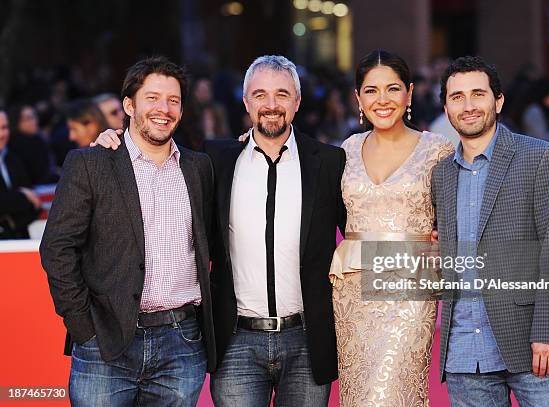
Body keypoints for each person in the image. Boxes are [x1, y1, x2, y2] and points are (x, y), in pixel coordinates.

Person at [93, 55, 346, 407]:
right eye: (259, 95)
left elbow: (360, 227)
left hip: (306, 339)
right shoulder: (216, 160)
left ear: (298, 101)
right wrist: (114, 142)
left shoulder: (331, 162)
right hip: (236, 341)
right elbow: (156, 151)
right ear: (245, 102)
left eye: (282, 95)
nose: (270, 105)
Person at [40, 56, 216, 406]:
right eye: (152, 98)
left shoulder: (200, 168)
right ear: (129, 105)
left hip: (182, 343)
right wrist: (83, 328)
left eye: (173, 100)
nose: (163, 109)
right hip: (105, 341)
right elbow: (57, 248)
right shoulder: (91, 163)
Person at [431, 56, 549, 406]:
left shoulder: (540, 158)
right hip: (464, 352)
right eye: (457, 97)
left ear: (498, 101)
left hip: (532, 345)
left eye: (478, 94)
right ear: (446, 107)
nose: (468, 106)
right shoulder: (441, 175)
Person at [328, 50, 454, 406]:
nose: (382, 101)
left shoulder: (437, 150)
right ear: (358, 98)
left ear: (409, 94)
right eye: (371, 91)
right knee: (358, 393)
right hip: (352, 292)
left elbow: (458, 212)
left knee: (389, 391)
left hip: (410, 290)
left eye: (392, 89)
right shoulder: (348, 149)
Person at [0, 109, 41, 239]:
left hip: (19, 239)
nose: (1, 134)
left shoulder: (13, 159)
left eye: (4, 127)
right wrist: (22, 195)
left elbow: (34, 204)